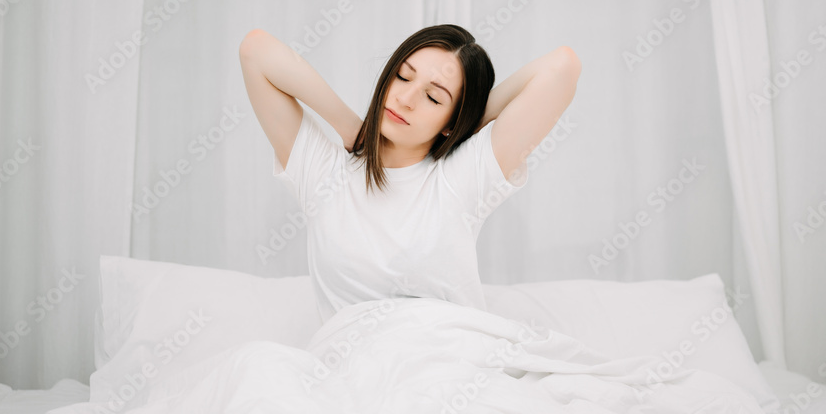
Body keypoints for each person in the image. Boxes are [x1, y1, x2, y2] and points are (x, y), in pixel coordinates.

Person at [239, 24, 581, 320]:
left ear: (453, 120)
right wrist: (350, 128)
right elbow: (256, 50)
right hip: (356, 377)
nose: (405, 99)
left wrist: (467, 122)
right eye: (402, 76)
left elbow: (563, 67)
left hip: (449, 369)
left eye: (433, 98)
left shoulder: (463, 177)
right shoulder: (322, 172)